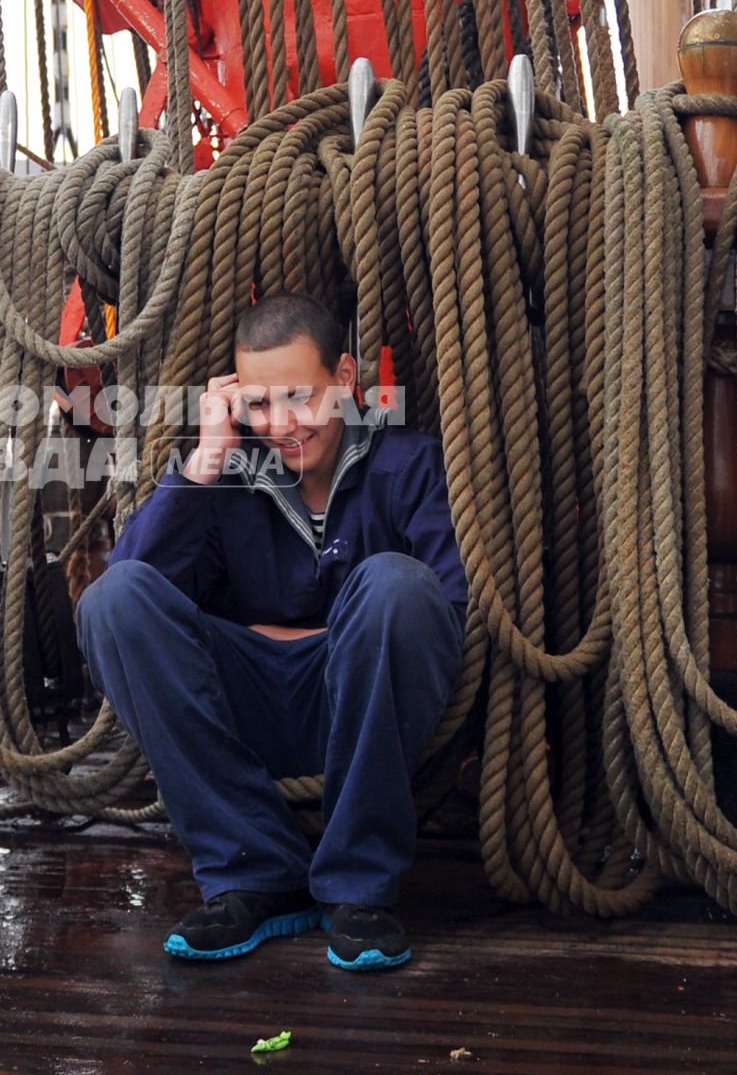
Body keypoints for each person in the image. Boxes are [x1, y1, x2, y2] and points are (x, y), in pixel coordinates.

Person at [76, 291, 466, 970]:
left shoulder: (411, 465)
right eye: (257, 404)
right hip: (244, 702)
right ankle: (252, 871)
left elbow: (442, 614)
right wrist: (202, 464)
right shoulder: (222, 477)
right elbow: (133, 597)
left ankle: (358, 890)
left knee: (396, 586)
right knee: (113, 600)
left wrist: (339, 629)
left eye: (298, 397)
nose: (280, 423)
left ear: (345, 379)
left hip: (365, 706)